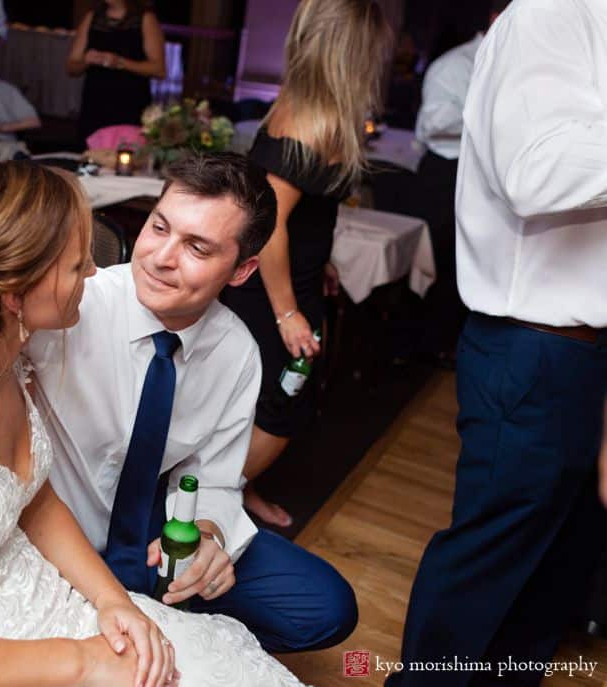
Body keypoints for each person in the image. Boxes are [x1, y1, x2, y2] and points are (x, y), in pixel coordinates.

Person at [0, 152, 358, 655]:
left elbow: (213, 477)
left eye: (197, 248)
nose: (162, 258)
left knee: (325, 607)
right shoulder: (64, 300)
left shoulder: (237, 353)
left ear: (241, 271)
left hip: (154, 538)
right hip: (54, 544)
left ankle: (171, 610)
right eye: (159, 227)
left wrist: (208, 534)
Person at [386, 0, 607, 684]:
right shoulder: (550, 15)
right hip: (535, 349)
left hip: (584, 354)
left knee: (555, 570)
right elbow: (536, 173)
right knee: (484, 570)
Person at [220, 0, 391, 528]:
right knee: (283, 405)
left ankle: (234, 494)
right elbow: (268, 223)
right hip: (271, 293)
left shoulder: (310, 107)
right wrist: (288, 313)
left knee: (253, 401)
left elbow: (304, 213)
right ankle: (206, 503)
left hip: (294, 280)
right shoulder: (308, 122)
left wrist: (325, 262)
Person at [413, 1, 510, 364]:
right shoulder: (454, 66)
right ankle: (429, 349)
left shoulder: (514, 67)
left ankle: (452, 343)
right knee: (442, 263)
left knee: (471, 264)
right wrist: (489, 112)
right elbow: (432, 123)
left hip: (486, 177)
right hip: (445, 173)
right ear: (497, 19)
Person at [66, 0, 165, 144]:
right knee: (90, 157)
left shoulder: (145, 19)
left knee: (127, 153)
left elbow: (159, 69)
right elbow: (71, 67)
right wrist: (86, 60)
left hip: (130, 103)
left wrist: (120, 62)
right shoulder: (93, 17)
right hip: (95, 104)